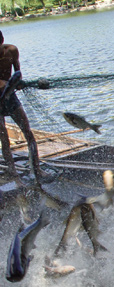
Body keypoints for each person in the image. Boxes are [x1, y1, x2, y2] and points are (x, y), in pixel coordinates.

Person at [0, 30, 48, 187]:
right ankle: (13, 173)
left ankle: (37, 168)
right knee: (4, 139)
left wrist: (18, 82)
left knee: (27, 132)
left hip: (11, 97)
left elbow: (17, 72)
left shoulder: (12, 50)